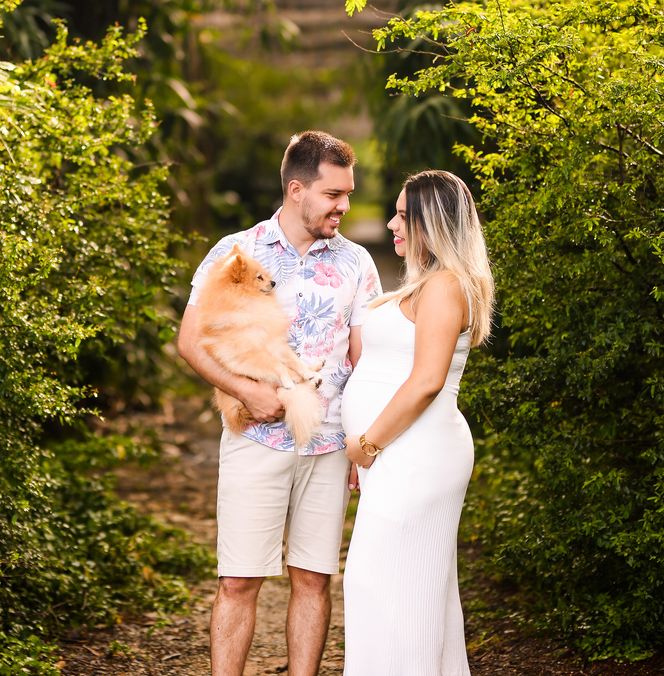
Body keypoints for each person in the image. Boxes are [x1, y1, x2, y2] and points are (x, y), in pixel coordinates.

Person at [178, 130, 382, 676]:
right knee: (239, 580)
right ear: (297, 189)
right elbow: (190, 341)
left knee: (314, 578)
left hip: (330, 442)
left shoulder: (358, 262)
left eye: (347, 193)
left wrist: (363, 440)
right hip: (254, 438)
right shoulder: (234, 252)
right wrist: (246, 391)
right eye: (333, 195)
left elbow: (363, 360)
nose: (344, 206)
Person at [340, 170, 494, 675]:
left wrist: (366, 444)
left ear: (434, 222)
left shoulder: (448, 286)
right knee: (404, 586)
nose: (391, 224)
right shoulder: (427, 284)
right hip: (399, 453)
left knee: (385, 584)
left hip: (415, 452)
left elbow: (427, 381)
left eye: (404, 215)